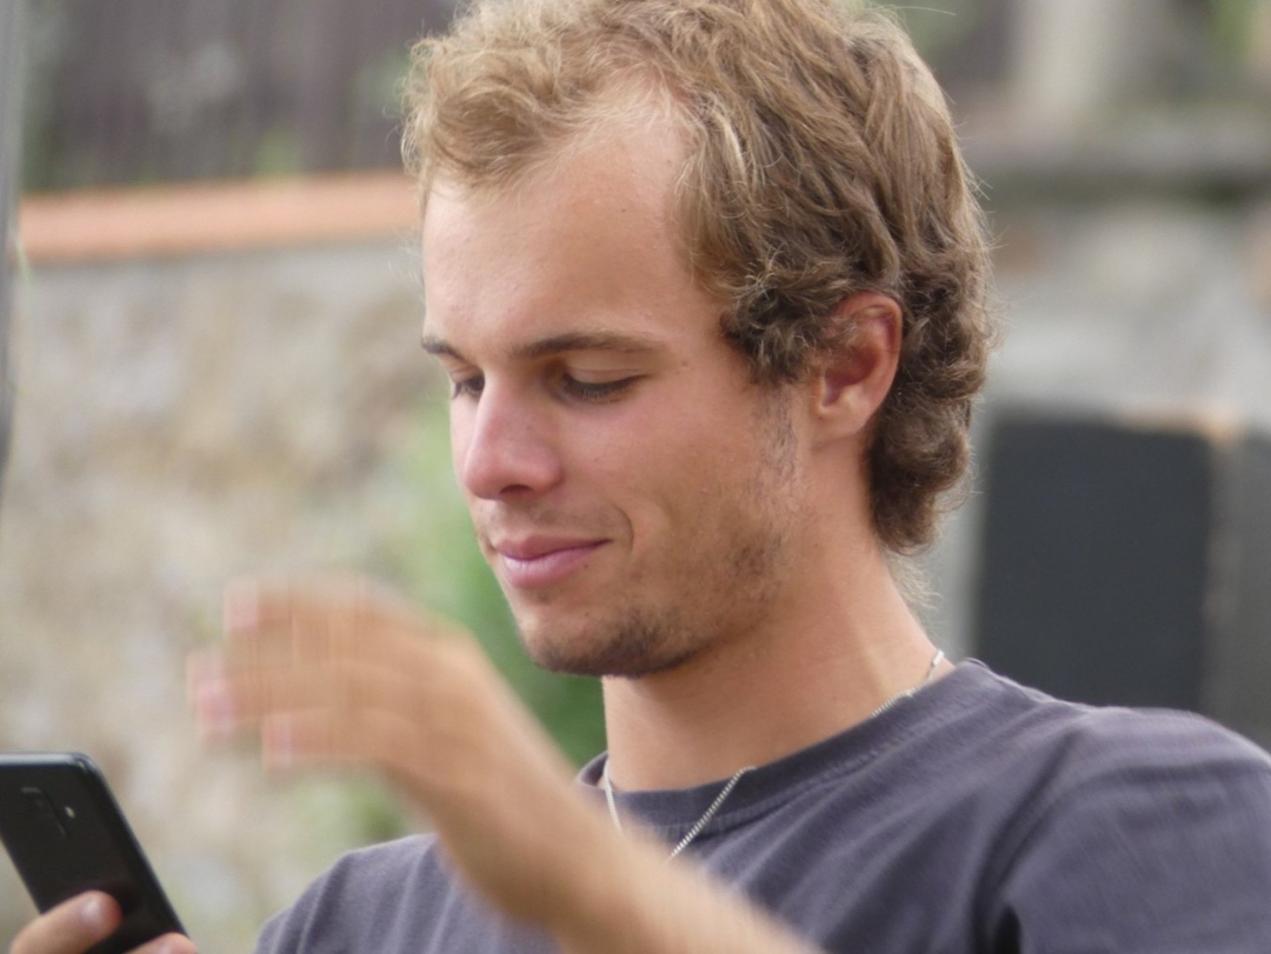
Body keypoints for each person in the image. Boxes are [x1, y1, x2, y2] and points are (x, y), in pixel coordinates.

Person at [14, 0, 1271, 952]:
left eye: (586, 378)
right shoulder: (358, 924)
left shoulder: (1133, 824)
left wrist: (581, 884)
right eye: (465, 380)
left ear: (844, 366)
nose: (490, 465)